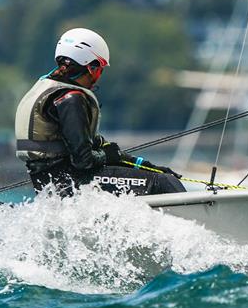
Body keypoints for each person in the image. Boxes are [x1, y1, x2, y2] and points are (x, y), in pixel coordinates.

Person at [15, 28, 185, 196]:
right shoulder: (70, 99)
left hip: (54, 183)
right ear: (91, 67)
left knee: (160, 176)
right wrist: (107, 156)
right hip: (72, 182)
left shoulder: (49, 90)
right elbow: (84, 161)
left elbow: (101, 149)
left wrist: (149, 167)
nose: (100, 74)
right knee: (164, 183)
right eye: (101, 67)